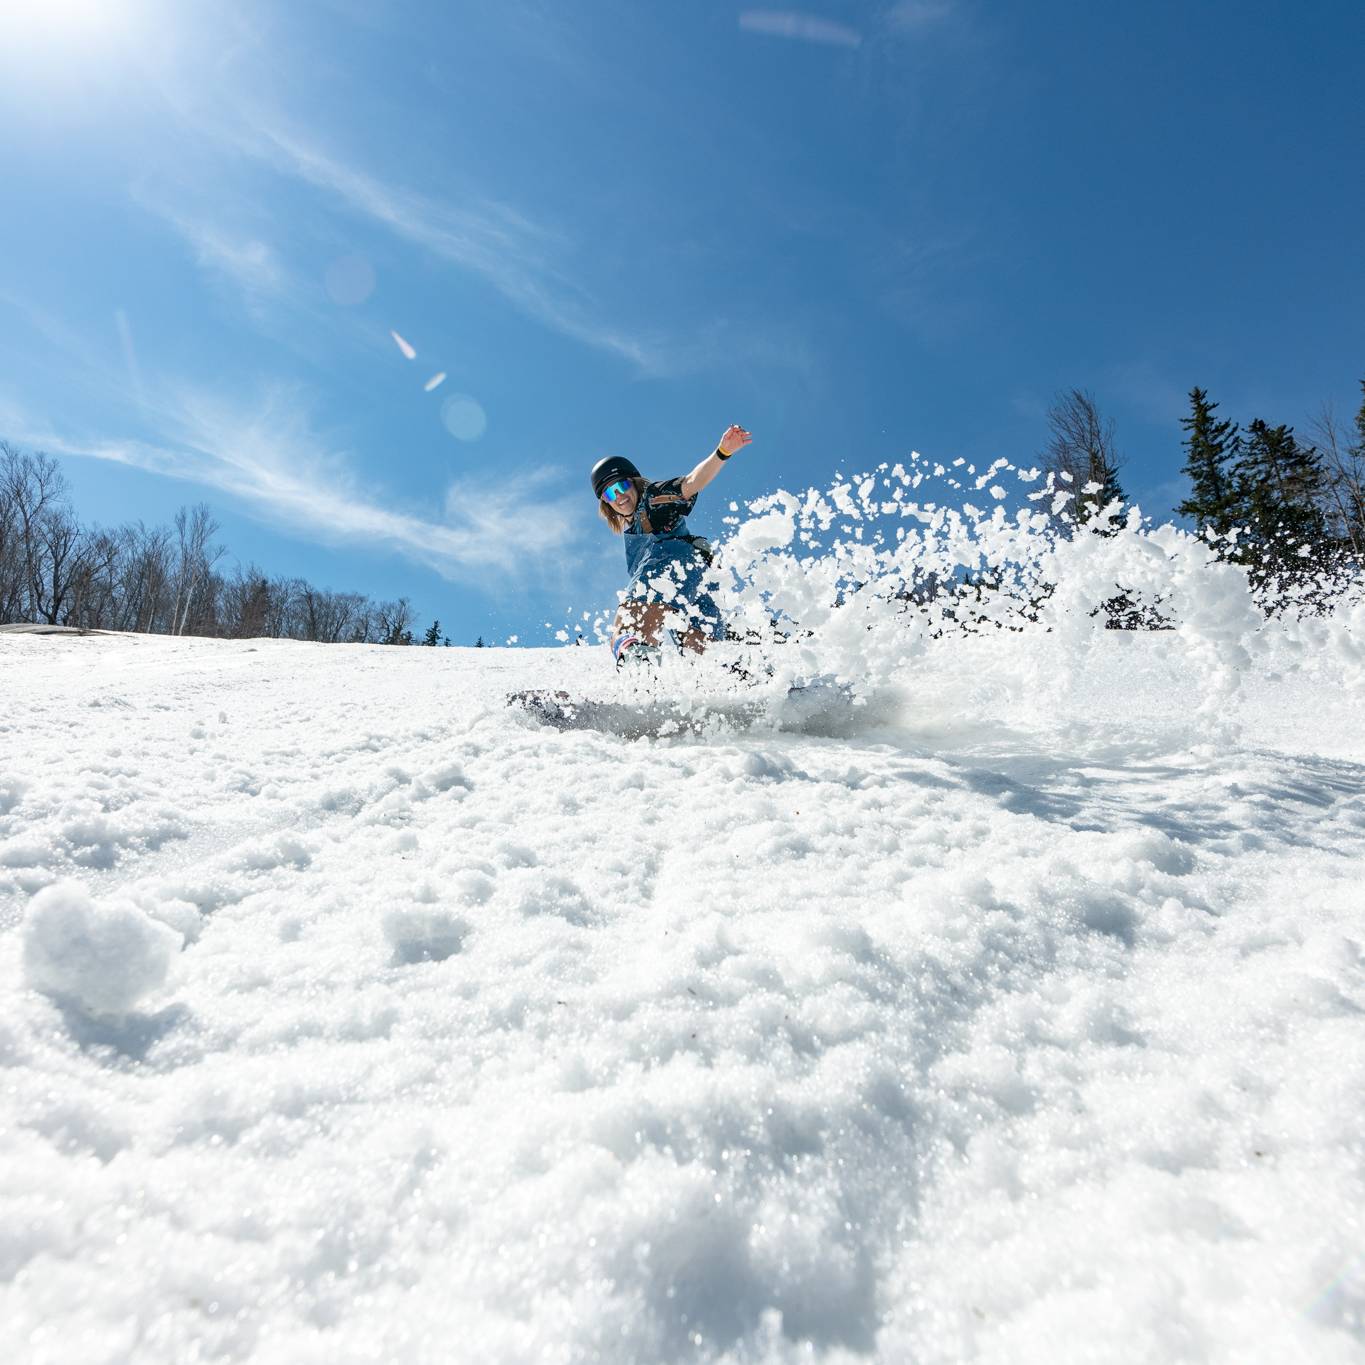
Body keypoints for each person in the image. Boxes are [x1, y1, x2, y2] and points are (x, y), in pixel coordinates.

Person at [590, 425, 753, 667]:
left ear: (633, 483)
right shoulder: (633, 531)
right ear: (606, 503)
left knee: (626, 624)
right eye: (610, 494)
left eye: (622, 487)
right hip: (700, 577)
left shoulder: (653, 498)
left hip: (673, 561)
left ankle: (639, 668)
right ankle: (739, 678)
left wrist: (722, 453)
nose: (620, 497)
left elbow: (690, 483)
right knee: (700, 650)